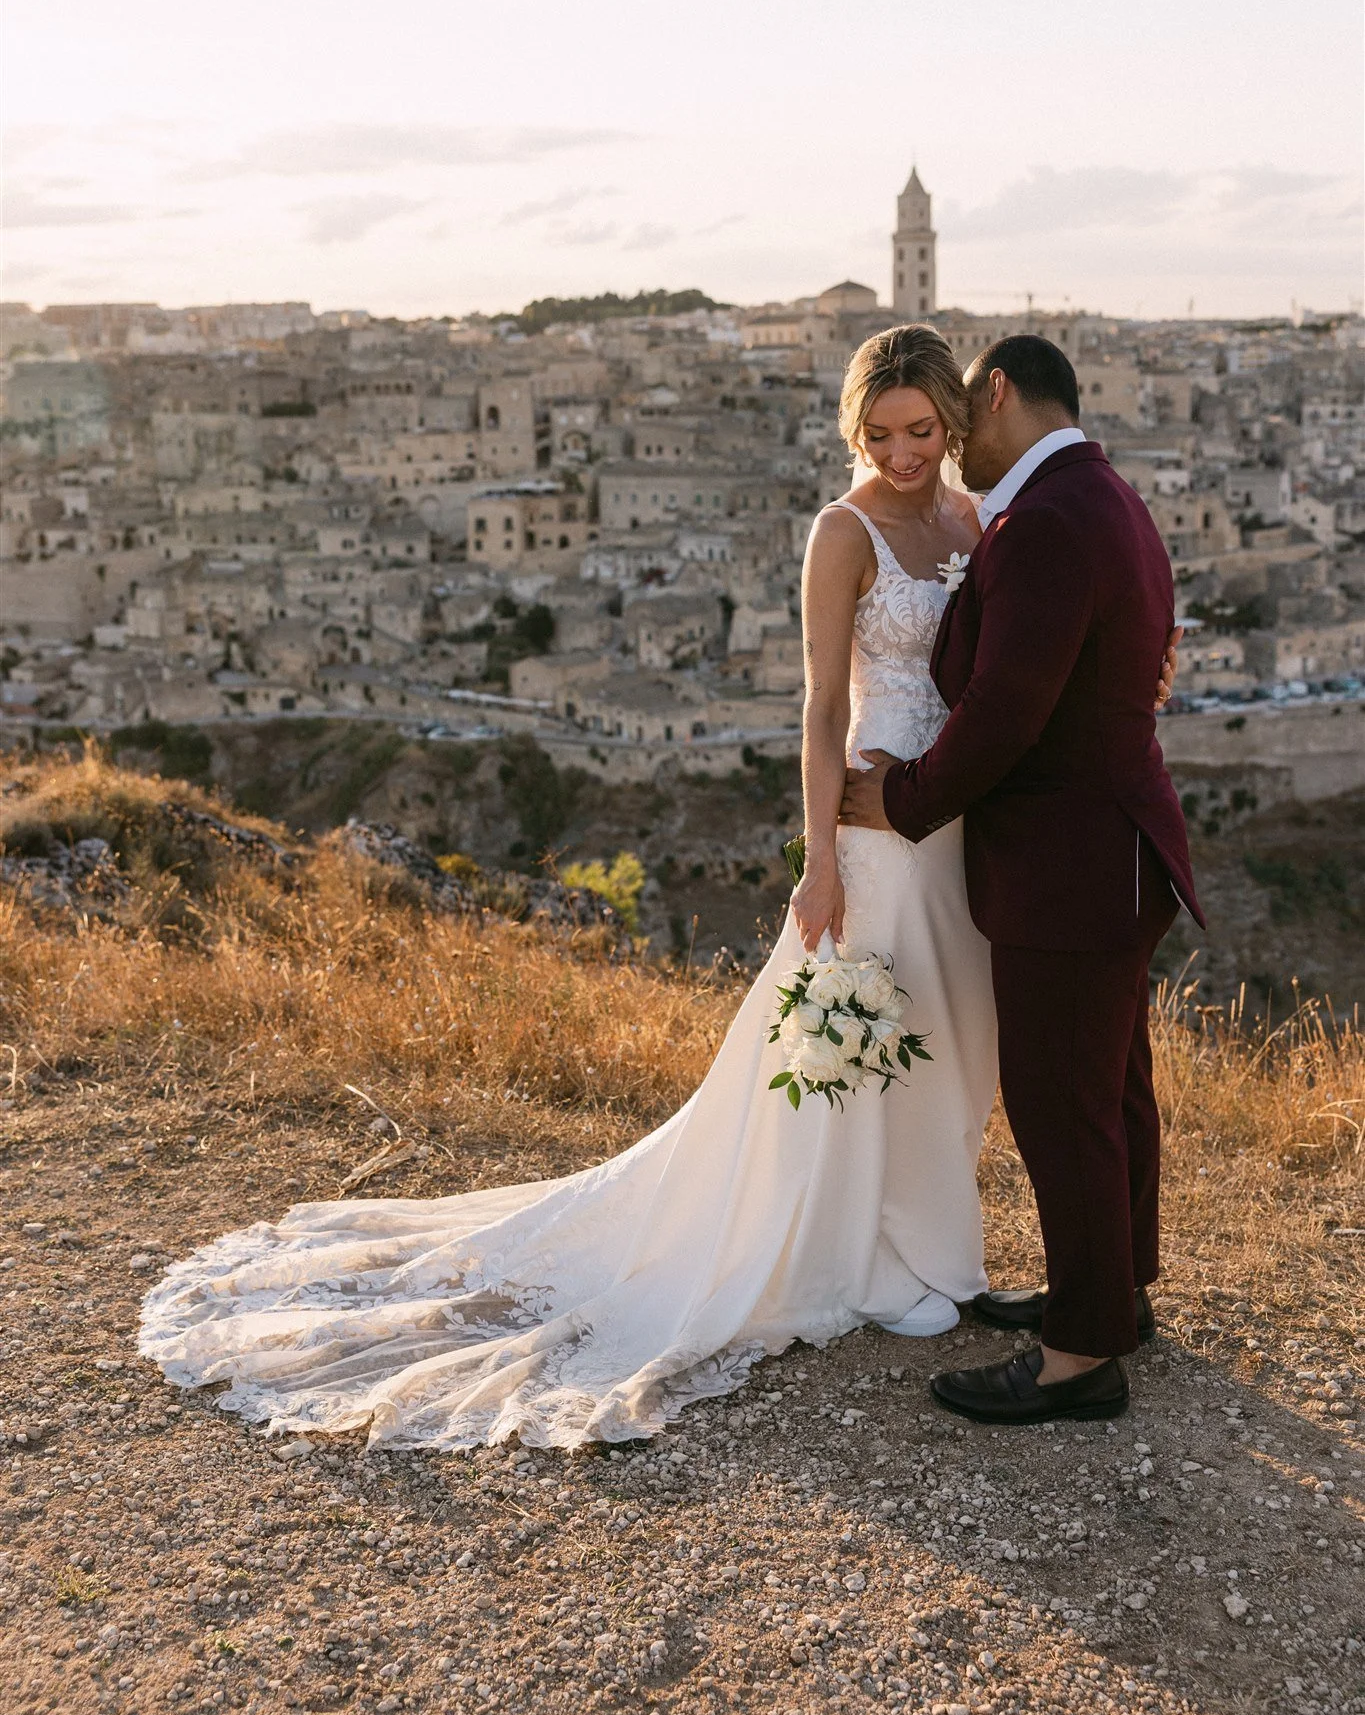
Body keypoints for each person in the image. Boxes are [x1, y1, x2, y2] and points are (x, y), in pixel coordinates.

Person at [138, 324, 1001, 1452]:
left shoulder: (973, 518)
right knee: (854, 1034)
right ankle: (864, 1258)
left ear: (951, 420)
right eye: (879, 433)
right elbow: (820, 703)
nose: (900, 451)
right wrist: (818, 858)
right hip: (872, 819)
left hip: (954, 815)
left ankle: (930, 1240)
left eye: (919, 429)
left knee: (944, 1022)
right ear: (855, 431)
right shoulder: (843, 530)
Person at [839, 334, 1202, 1427]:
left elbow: (1005, 712)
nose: (952, 440)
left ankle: (1079, 1357)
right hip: (1115, 851)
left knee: (1061, 1105)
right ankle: (1113, 1293)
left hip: (1069, 862)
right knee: (1110, 1090)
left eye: (957, 414)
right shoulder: (1105, 494)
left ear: (996, 391)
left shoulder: (1044, 519)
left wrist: (899, 801)